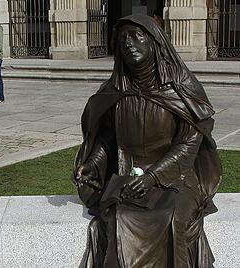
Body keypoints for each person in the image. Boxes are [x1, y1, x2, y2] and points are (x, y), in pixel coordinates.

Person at [74, 15, 221, 267]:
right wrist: (93, 163)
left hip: (177, 177)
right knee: (120, 218)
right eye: (122, 39)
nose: (128, 43)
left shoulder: (180, 89)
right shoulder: (115, 91)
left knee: (172, 216)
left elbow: (188, 143)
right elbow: (109, 137)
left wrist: (152, 177)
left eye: (136, 36)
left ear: (154, 42)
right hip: (127, 174)